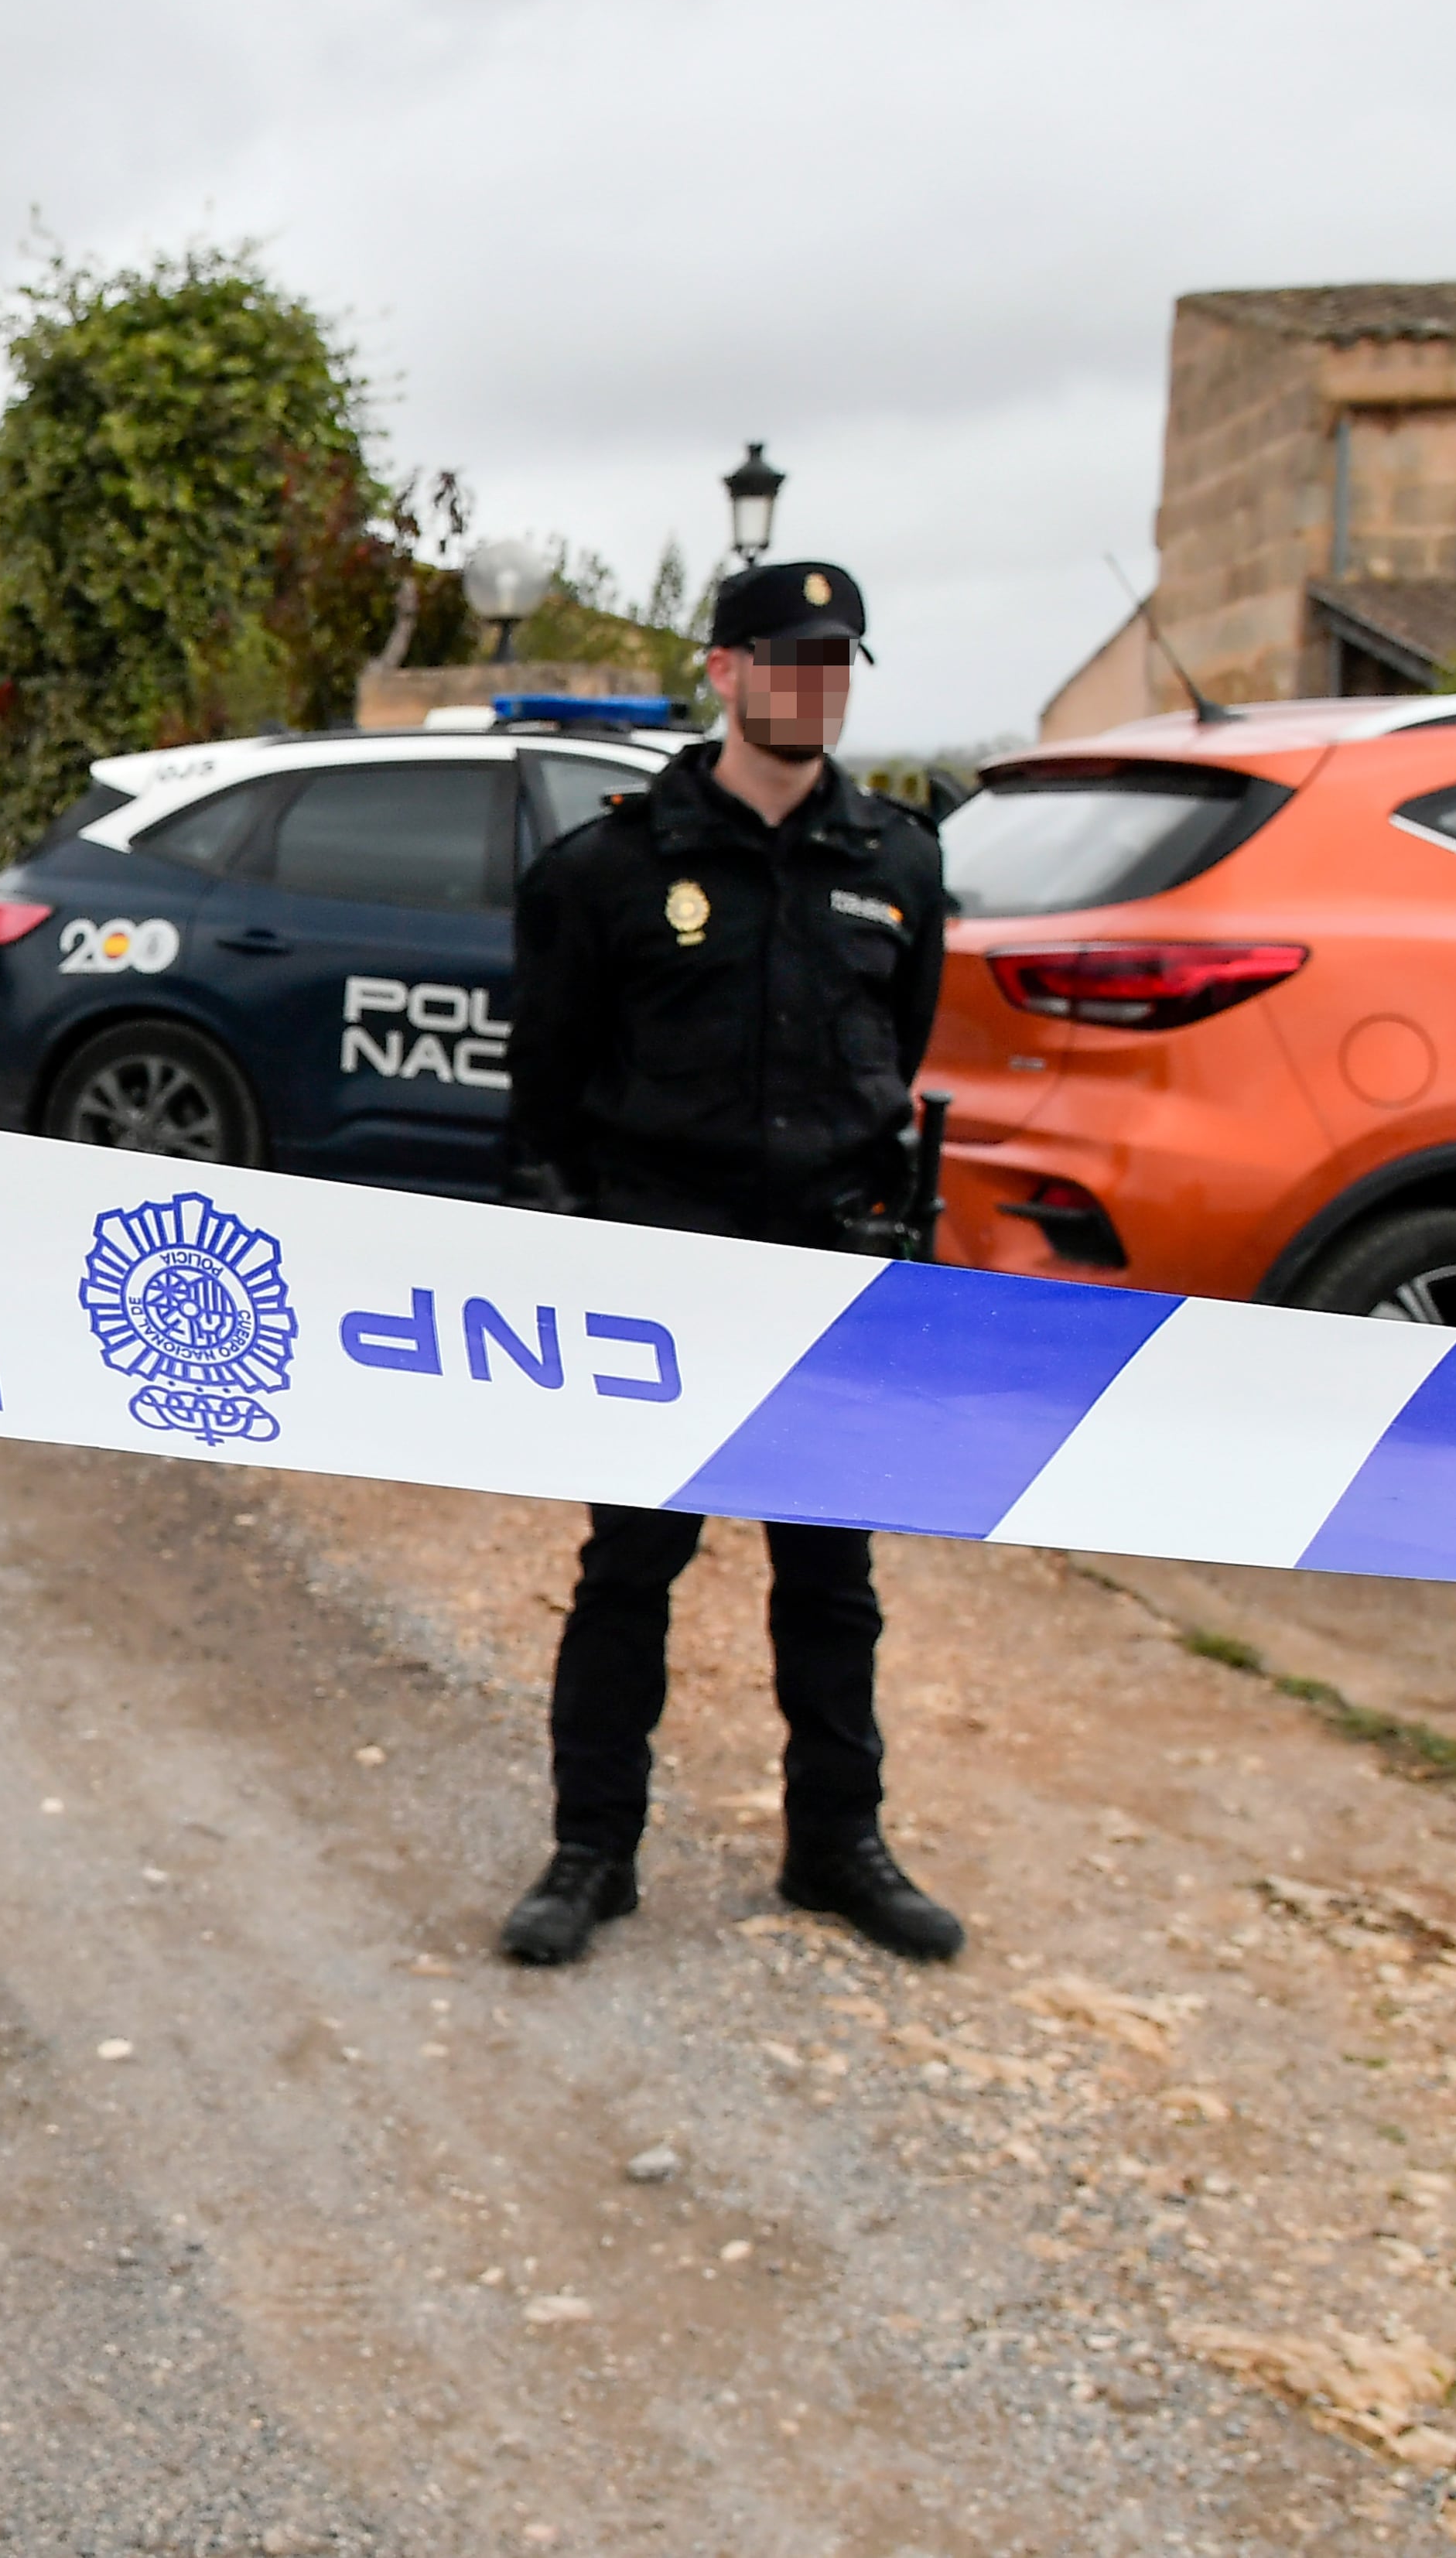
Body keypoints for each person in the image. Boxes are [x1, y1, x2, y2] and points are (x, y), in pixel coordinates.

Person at [494, 559, 965, 1968]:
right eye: (788, 656)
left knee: (831, 1580)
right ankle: (593, 1851)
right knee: (629, 1571)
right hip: (666, 1268)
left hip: (830, 1263)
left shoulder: (898, 860)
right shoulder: (611, 869)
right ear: (726, 671)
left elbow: (908, 1046)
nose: (814, 683)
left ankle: (837, 1844)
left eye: (838, 661)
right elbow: (546, 1098)